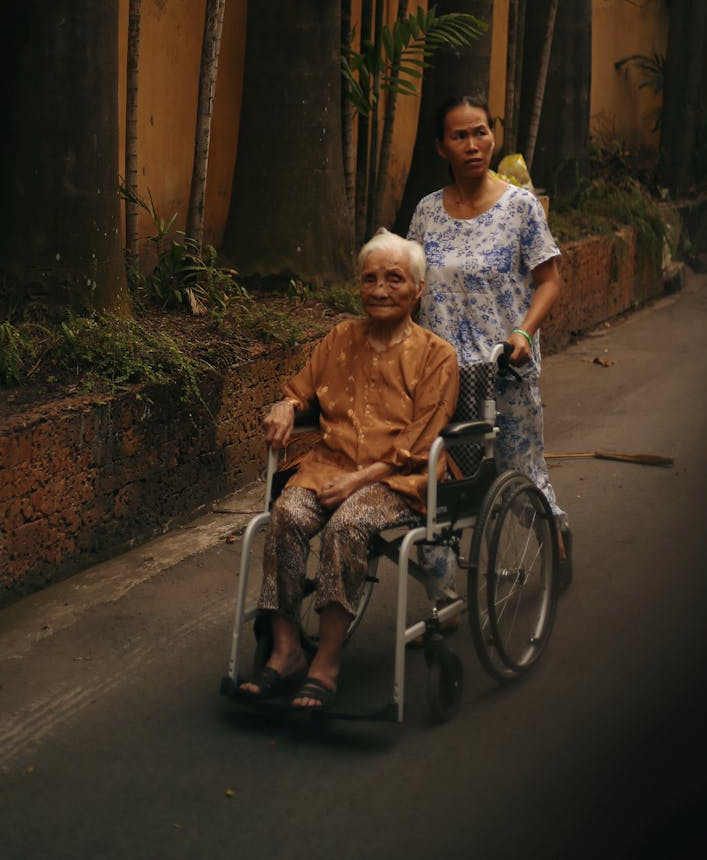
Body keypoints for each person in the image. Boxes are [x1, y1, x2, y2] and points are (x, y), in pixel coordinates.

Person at [239, 228, 459, 712]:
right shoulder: (340, 337)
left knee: (348, 525)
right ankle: (287, 648)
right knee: (286, 515)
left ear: (418, 289)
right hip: (330, 465)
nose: (380, 289)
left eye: (394, 279)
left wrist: (360, 480)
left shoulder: (436, 356)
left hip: (397, 477)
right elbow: (301, 390)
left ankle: (328, 663)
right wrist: (284, 406)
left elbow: (421, 444)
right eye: (370, 279)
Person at [407, 94, 572, 589]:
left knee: (520, 473)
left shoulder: (519, 207)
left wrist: (524, 330)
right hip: (442, 378)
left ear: (492, 137)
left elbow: (550, 280)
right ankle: (442, 598)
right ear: (442, 147)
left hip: (507, 368)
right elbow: (411, 289)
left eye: (480, 132)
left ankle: (555, 537)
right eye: (459, 136)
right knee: (444, 483)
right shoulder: (426, 213)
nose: (473, 145)